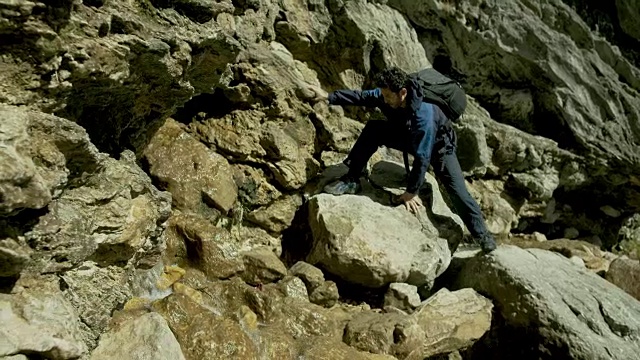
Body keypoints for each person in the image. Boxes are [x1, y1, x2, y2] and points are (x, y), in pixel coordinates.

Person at [309, 67, 497, 254]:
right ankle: (351, 179)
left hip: (440, 147)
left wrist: (411, 192)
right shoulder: (387, 93)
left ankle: (483, 236)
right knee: (374, 129)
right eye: (383, 95)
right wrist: (328, 97)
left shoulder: (425, 114)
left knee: (457, 191)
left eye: (388, 96)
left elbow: (423, 157)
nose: (384, 99)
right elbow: (360, 96)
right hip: (408, 134)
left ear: (403, 93)